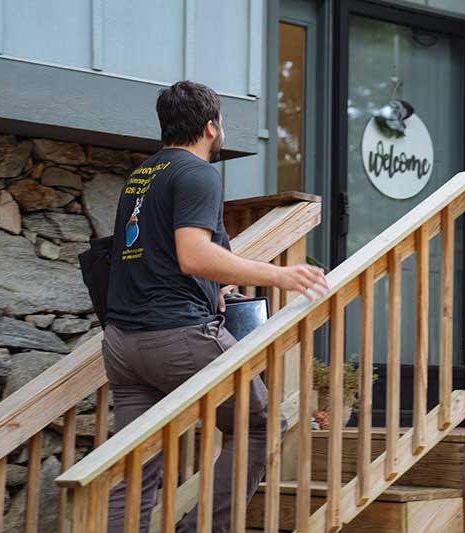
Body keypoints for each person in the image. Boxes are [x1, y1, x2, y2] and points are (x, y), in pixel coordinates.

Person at [101, 80, 329, 532]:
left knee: (136, 462)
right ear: (211, 126)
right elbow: (193, 255)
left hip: (123, 345)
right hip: (178, 338)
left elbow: (150, 253)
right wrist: (281, 274)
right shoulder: (199, 173)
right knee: (259, 425)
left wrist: (215, 290)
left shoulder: (142, 176)